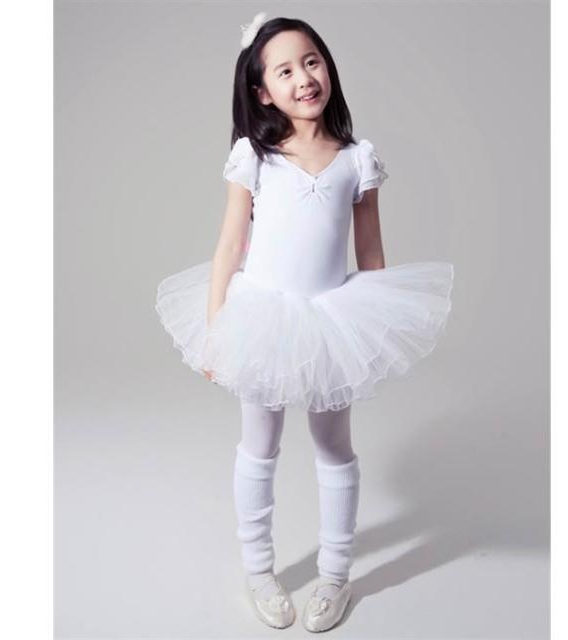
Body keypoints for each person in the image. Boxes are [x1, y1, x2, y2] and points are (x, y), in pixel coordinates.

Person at [155, 11, 454, 633]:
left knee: (334, 447)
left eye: (311, 62)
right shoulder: (254, 157)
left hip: (331, 320)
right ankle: (259, 570)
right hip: (263, 318)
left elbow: (370, 251)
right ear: (263, 92)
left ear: (329, 68)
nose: (303, 78)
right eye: (285, 71)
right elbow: (230, 246)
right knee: (259, 444)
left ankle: (335, 576)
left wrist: (373, 330)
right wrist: (214, 330)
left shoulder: (357, 159)